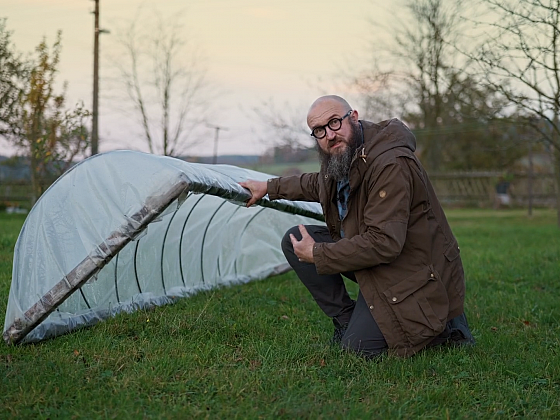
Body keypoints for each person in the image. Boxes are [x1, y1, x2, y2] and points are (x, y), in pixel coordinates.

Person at [240, 95, 474, 358]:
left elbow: (384, 243)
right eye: (319, 130)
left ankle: (446, 328)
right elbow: (318, 183)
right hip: (383, 264)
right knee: (294, 239)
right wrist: (269, 188)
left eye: (334, 123)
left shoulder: (390, 164)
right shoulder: (348, 156)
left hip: (413, 272)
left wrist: (318, 253)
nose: (329, 135)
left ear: (353, 117)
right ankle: (347, 320)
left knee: (358, 350)